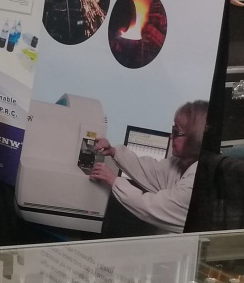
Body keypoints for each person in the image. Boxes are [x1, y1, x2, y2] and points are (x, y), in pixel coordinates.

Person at [88, 100, 207, 233]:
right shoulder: (181, 163)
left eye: (176, 131)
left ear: (194, 138)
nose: (171, 136)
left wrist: (113, 180)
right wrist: (113, 151)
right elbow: (150, 170)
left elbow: (151, 207)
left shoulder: (197, 182)